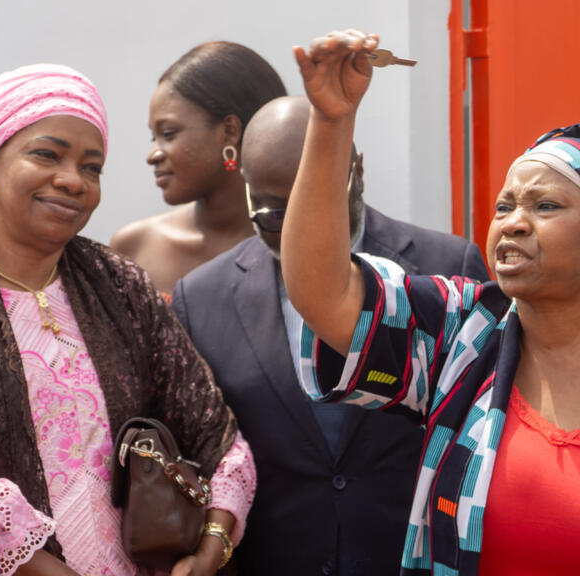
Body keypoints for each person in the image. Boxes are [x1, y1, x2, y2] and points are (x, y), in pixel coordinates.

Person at [281, 30, 580, 575]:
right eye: (504, 205)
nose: (513, 222)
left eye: (545, 206)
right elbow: (323, 293)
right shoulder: (461, 334)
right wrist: (331, 121)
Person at [0, 64, 255, 575]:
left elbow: (214, 434)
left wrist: (211, 547)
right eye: (46, 154)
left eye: (91, 167)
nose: (73, 180)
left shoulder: (120, 286)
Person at [172, 95, 488, 575]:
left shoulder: (447, 265)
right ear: (247, 191)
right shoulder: (200, 298)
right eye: (274, 214)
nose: (301, 224)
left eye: (320, 197)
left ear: (356, 170)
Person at [111, 41, 288, 296]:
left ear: (229, 131)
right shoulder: (135, 246)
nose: (152, 156)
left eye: (168, 134)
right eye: (154, 137)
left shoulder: (294, 243)